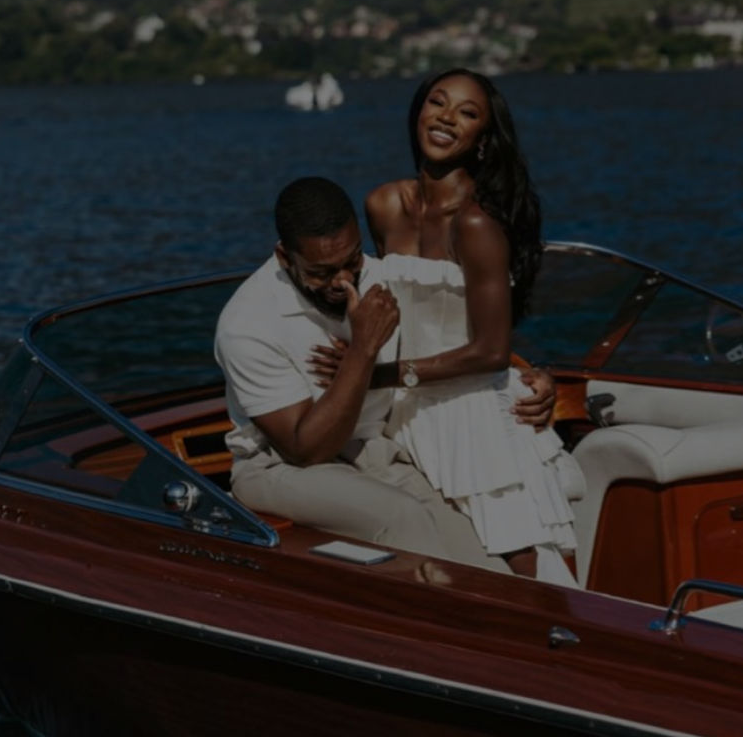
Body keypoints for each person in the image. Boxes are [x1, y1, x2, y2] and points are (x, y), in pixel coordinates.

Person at [214, 175, 558, 573]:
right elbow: (305, 449)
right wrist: (363, 348)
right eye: (322, 272)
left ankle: (505, 623)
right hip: (276, 467)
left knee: (474, 545)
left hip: (370, 448)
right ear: (284, 257)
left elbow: (454, 338)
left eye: (351, 261)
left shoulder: (377, 277)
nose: (342, 282)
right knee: (401, 515)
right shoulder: (248, 324)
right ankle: (445, 627)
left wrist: (528, 374)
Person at [324, 68, 581, 585]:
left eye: (467, 113)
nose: (446, 118)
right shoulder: (382, 205)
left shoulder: (478, 224)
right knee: (435, 563)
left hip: (470, 418)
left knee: (523, 571)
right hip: (401, 408)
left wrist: (376, 374)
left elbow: (488, 350)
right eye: (437, 103)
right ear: (418, 111)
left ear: (482, 140)